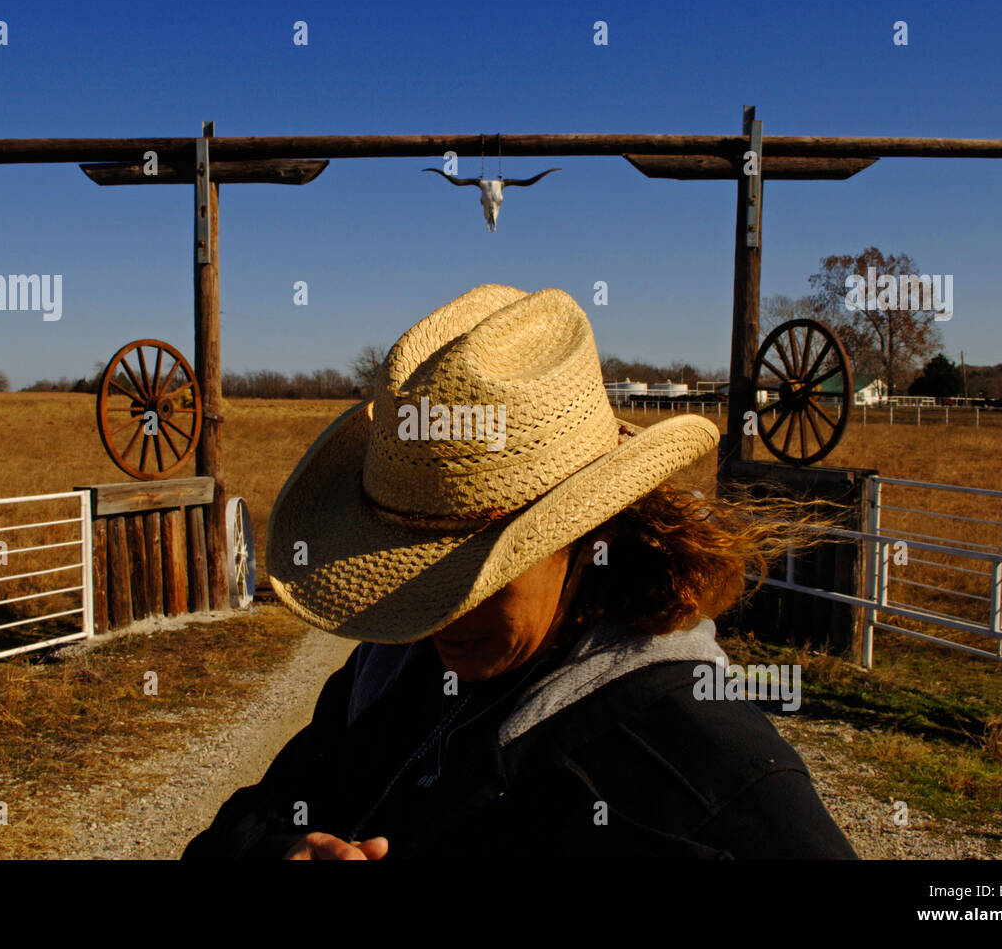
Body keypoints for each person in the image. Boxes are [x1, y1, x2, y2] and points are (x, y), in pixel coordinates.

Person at [182, 284, 857, 860]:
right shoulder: (388, 673)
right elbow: (264, 813)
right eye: (408, 563)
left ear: (593, 533)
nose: (438, 611)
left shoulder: (704, 771)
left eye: (474, 575)